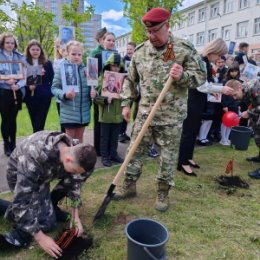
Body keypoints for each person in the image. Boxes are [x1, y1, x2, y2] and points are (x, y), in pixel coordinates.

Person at [113, 7, 207, 212]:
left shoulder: (183, 49)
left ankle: (163, 192)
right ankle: (129, 185)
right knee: (134, 151)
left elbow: (201, 76)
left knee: (168, 157)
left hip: (171, 117)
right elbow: (130, 80)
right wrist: (126, 103)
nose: (151, 36)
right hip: (145, 113)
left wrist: (182, 76)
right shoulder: (140, 52)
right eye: (149, 31)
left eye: (156, 30)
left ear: (167, 26)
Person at [0, 131, 97, 258]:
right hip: (21, 176)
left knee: (81, 174)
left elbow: (75, 183)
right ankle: (15, 233)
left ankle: (49, 204)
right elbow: (21, 202)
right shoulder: (35, 157)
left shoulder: (76, 151)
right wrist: (41, 239)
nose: (75, 174)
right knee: (46, 224)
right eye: (73, 170)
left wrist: (75, 217)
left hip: (44, 175)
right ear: (68, 159)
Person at [178, 38, 234, 176]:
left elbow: (207, 83)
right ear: (214, 50)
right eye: (219, 55)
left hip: (199, 100)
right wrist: (221, 89)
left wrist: (214, 91)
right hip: (193, 100)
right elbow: (201, 86)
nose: (219, 58)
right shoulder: (200, 61)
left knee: (194, 129)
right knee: (188, 132)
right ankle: (182, 162)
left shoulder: (206, 62)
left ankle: (188, 158)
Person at [52, 41, 94, 143]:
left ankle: (79, 158)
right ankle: (70, 159)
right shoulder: (61, 69)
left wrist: (94, 93)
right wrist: (65, 95)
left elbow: (92, 88)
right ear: (67, 53)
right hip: (69, 113)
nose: (76, 57)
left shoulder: (87, 69)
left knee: (79, 140)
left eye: (79, 54)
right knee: (69, 141)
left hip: (83, 113)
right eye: (73, 54)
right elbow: (54, 88)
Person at [93, 52, 125, 167]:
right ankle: (105, 156)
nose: (115, 68)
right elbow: (95, 99)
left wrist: (123, 96)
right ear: (108, 66)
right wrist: (106, 100)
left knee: (114, 137)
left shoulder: (123, 80)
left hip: (117, 115)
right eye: (113, 66)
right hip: (105, 115)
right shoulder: (102, 79)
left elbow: (127, 95)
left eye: (117, 66)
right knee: (104, 137)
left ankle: (113, 154)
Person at [226, 78, 260, 179]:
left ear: (240, 88)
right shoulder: (244, 92)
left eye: (235, 95)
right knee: (258, 134)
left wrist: (249, 113)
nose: (234, 98)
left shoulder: (255, 88)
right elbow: (253, 103)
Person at [0, 32, 26, 157]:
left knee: (13, 119)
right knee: (5, 119)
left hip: (16, 91)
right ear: (3, 43)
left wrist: (18, 85)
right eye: (7, 42)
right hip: (3, 92)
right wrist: (5, 80)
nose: (10, 45)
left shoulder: (19, 57)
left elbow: (25, 75)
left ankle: (14, 144)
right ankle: (6, 144)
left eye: (12, 43)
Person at [92, 31, 117, 156]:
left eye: (113, 40)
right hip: (100, 93)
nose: (111, 42)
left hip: (113, 94)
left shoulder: (117, 56)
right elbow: (93, 75)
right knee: (99, 120)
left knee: (111, 122)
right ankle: (99, 150)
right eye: (109, 40)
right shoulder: (97, 56)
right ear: (103, 41)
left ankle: (111, 150)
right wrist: (94, 90)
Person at [24, 39, 54, 133]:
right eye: (33, 49)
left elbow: (52, 79)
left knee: (41, 121)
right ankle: (35, 140)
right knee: (34, 121)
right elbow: (20, 78)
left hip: (44, 97)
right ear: (29, 50)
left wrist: (48, 92)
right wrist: (28, 87)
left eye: (37, 49)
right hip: (31, 97)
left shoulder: (47, 63)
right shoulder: (24, 63)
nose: (35, 51)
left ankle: (39, 141)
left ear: (40, 51)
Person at [118, 42, 136, 143]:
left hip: (134, 90)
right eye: (128, 49)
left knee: (129, 112)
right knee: (124, 111)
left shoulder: (136, 60)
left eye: (131, 49)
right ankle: (120, 133)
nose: (129, 51)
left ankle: (124, 132)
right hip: (125, 90)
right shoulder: (123, 60)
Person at [53, 38, 67, 133]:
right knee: (62, 120)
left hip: (72, 95)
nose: (61, 49)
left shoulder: (74, 60)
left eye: (63, 46)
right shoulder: (56, 62)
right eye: (58, 46)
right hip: (60, 96)